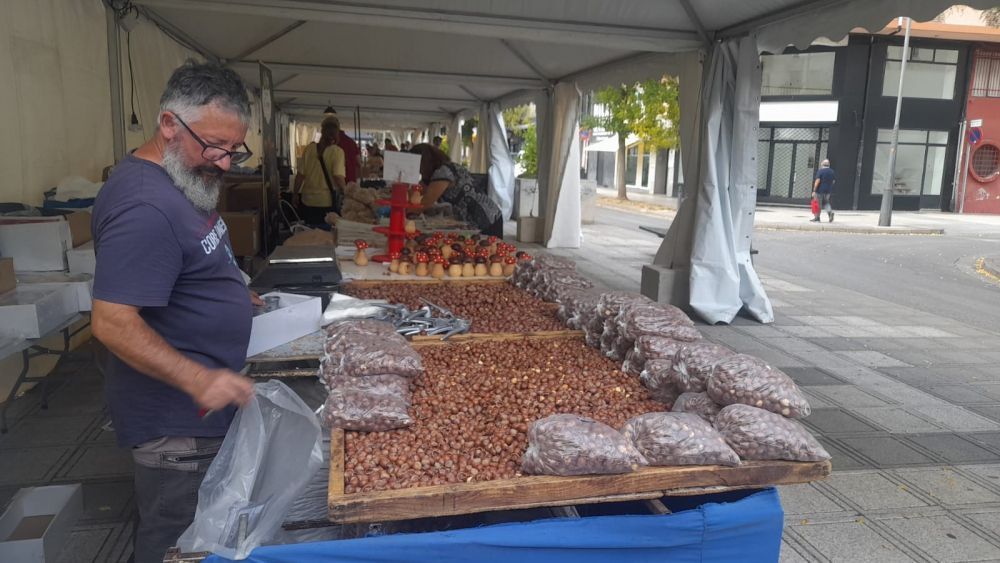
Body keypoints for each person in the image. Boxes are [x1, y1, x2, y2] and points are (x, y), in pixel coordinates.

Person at [90, 61, 258, 563]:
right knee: (178, 543)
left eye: (234, 149)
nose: (224, 163)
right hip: (180, 430)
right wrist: (198, 379)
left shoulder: (180, 179)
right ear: (168, 125)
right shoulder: (145, 205)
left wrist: (226, 289)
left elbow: (181, 262)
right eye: (214, 146)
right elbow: (112, 321)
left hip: (197, 420)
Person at [409, 143, 503, 236]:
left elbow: (424, 203)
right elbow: (415, 193)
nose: (416, 170)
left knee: (489, 248)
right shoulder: (440, 171)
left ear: (424, 162)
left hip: (485, 218)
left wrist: (402, 211)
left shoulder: (443, 172)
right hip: (480, 218)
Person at [293, 116, 347, 225]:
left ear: (322, 131)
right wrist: (346, 191)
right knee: (325, 236)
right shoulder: (337, 152)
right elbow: (338, 176)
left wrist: (295, 194)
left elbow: (300, 175)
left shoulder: (309, 149)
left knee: (309, 233)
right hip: (326, 202)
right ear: (337, 133)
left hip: (307, 201)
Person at [330, 116, 361, 184]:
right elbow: (359, 162)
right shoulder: (351, 142)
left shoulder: (331, 144)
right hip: (351, 180)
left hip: (334, 183)